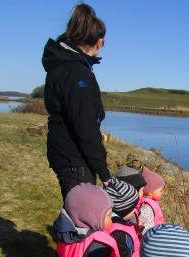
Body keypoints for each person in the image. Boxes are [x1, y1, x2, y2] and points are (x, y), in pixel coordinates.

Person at [42, 3, 110, 201]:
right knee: (83, 221)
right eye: (103, 40)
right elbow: (84, 124)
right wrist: (104, 174)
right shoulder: (77, 72)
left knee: (76, 213)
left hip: (64, 154)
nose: (103, 44)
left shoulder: (65, 65)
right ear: (97, 41)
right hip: (74, 158)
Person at [105, 178, 141, 257]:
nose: (135, 210)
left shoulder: (113, 224)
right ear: (123, 209)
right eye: (132, 208)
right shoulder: (120, 234)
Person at [137, 166, 166, 234]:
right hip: (153, 240)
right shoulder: (147, 208)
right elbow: (146, 231)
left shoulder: (151, 202)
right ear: (150, 193)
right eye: (160, 191)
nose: (163, 192)